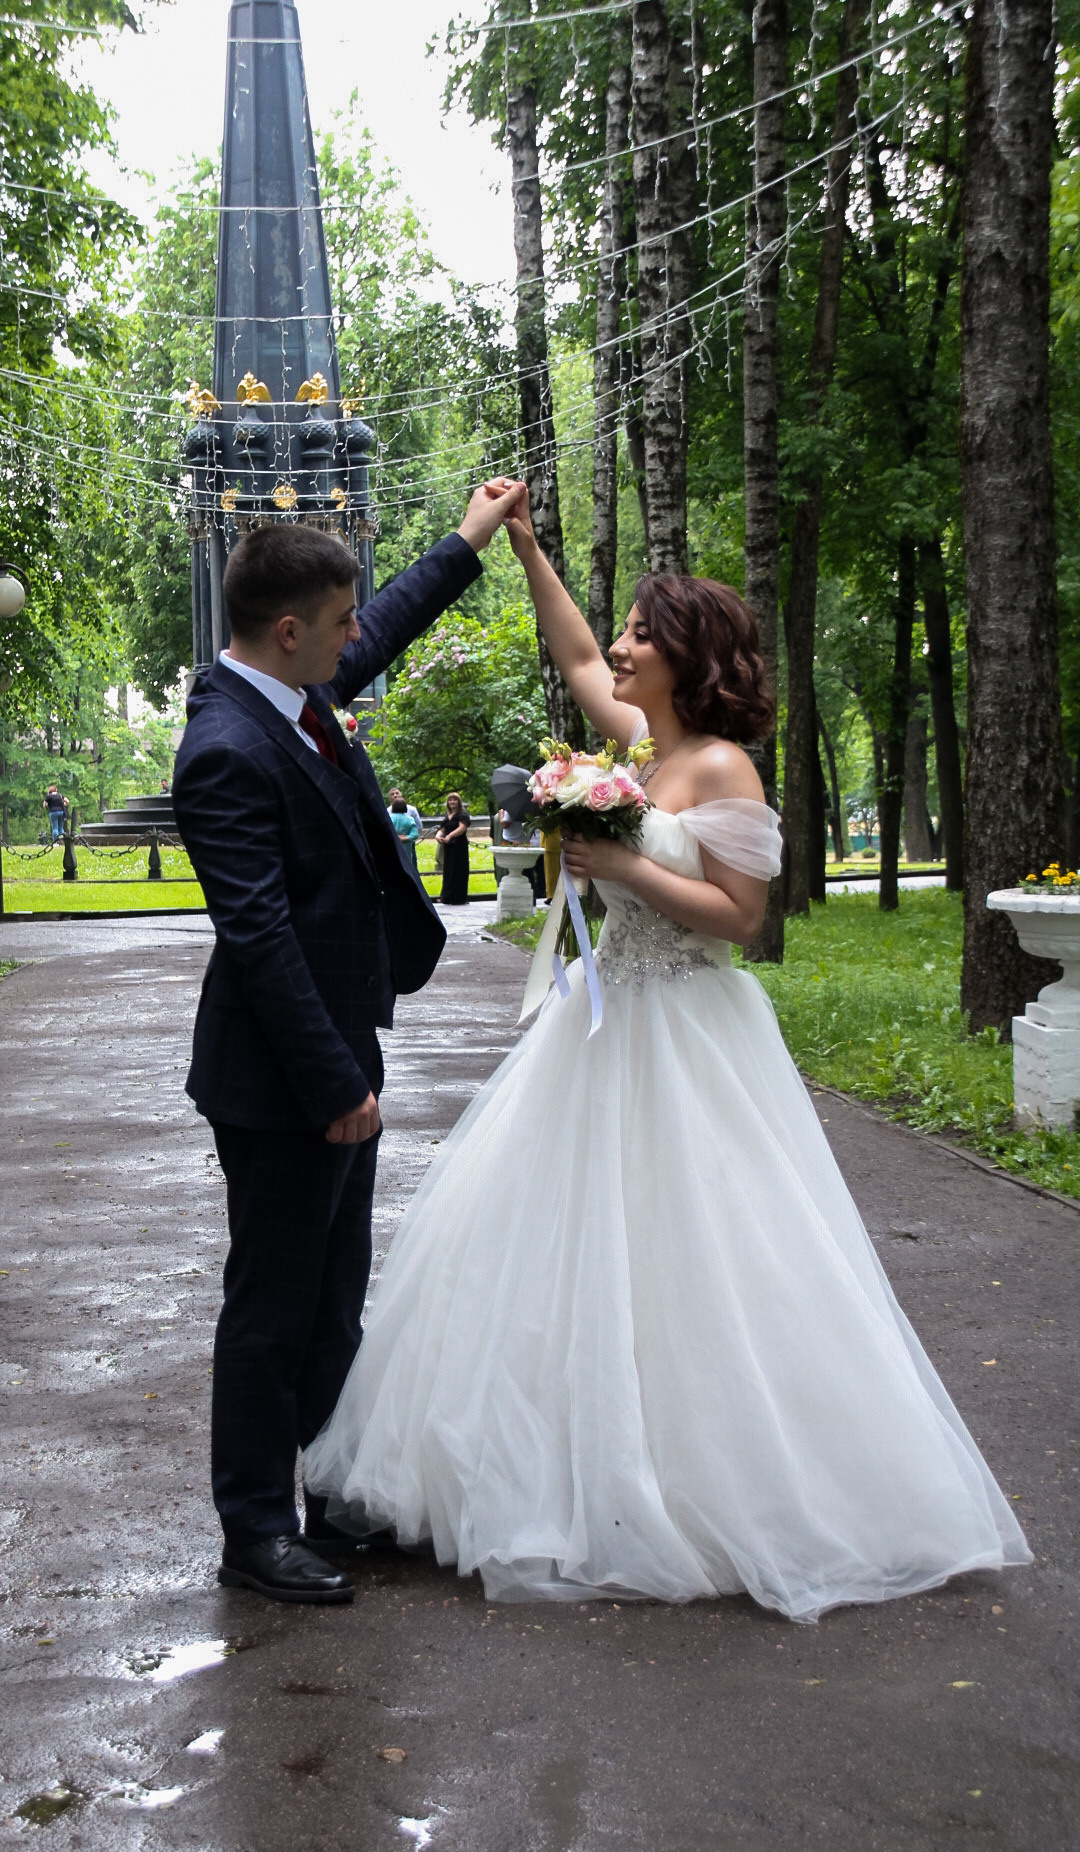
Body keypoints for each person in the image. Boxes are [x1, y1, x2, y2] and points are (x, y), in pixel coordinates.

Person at [304, 483, 1030, 1621]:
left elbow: (741, 917)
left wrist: (622, 865)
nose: (623, 648)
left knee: (703, 1246)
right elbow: (574, 650)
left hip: (688, 1025)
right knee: (560, 1243)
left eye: (644, 634)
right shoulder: (640, 748)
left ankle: (712, 1482)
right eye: (629, 631)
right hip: (601, 1024)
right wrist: (527, 548)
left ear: (688, 658)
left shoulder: (722, 768)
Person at [171, 482, 526, 1606]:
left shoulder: (294, 693)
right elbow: (260, 938)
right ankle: (254, 1529)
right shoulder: (226, 748)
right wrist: (333, 1084)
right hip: (283, 1077)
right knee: (273, 1305)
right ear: (289, 630)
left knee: (333, 1299)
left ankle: (330, 1496)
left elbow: (390, 620)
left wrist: (470, 536)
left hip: (337, 1051)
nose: (354, 635)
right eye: (339, 621)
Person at [435, 792, 471, 904]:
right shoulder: (448, 816)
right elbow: (443, 828)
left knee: (458, 870)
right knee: (448, 871)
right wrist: (438, 836)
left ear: (459, 802)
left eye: (454, 799)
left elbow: (462, 828)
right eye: (450, 800)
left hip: (459, 846)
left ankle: (458, 898)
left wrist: (450, 836)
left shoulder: (462, 814)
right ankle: (447, 896)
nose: (452, 802)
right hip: (449, 846)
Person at [387, 792, 420, 873]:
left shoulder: (388, 818)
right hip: (406, 847)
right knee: (407, 868)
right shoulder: (410, 819)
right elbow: (415, 834)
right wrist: (405, 838)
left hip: (392, 846)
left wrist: (395, 837)